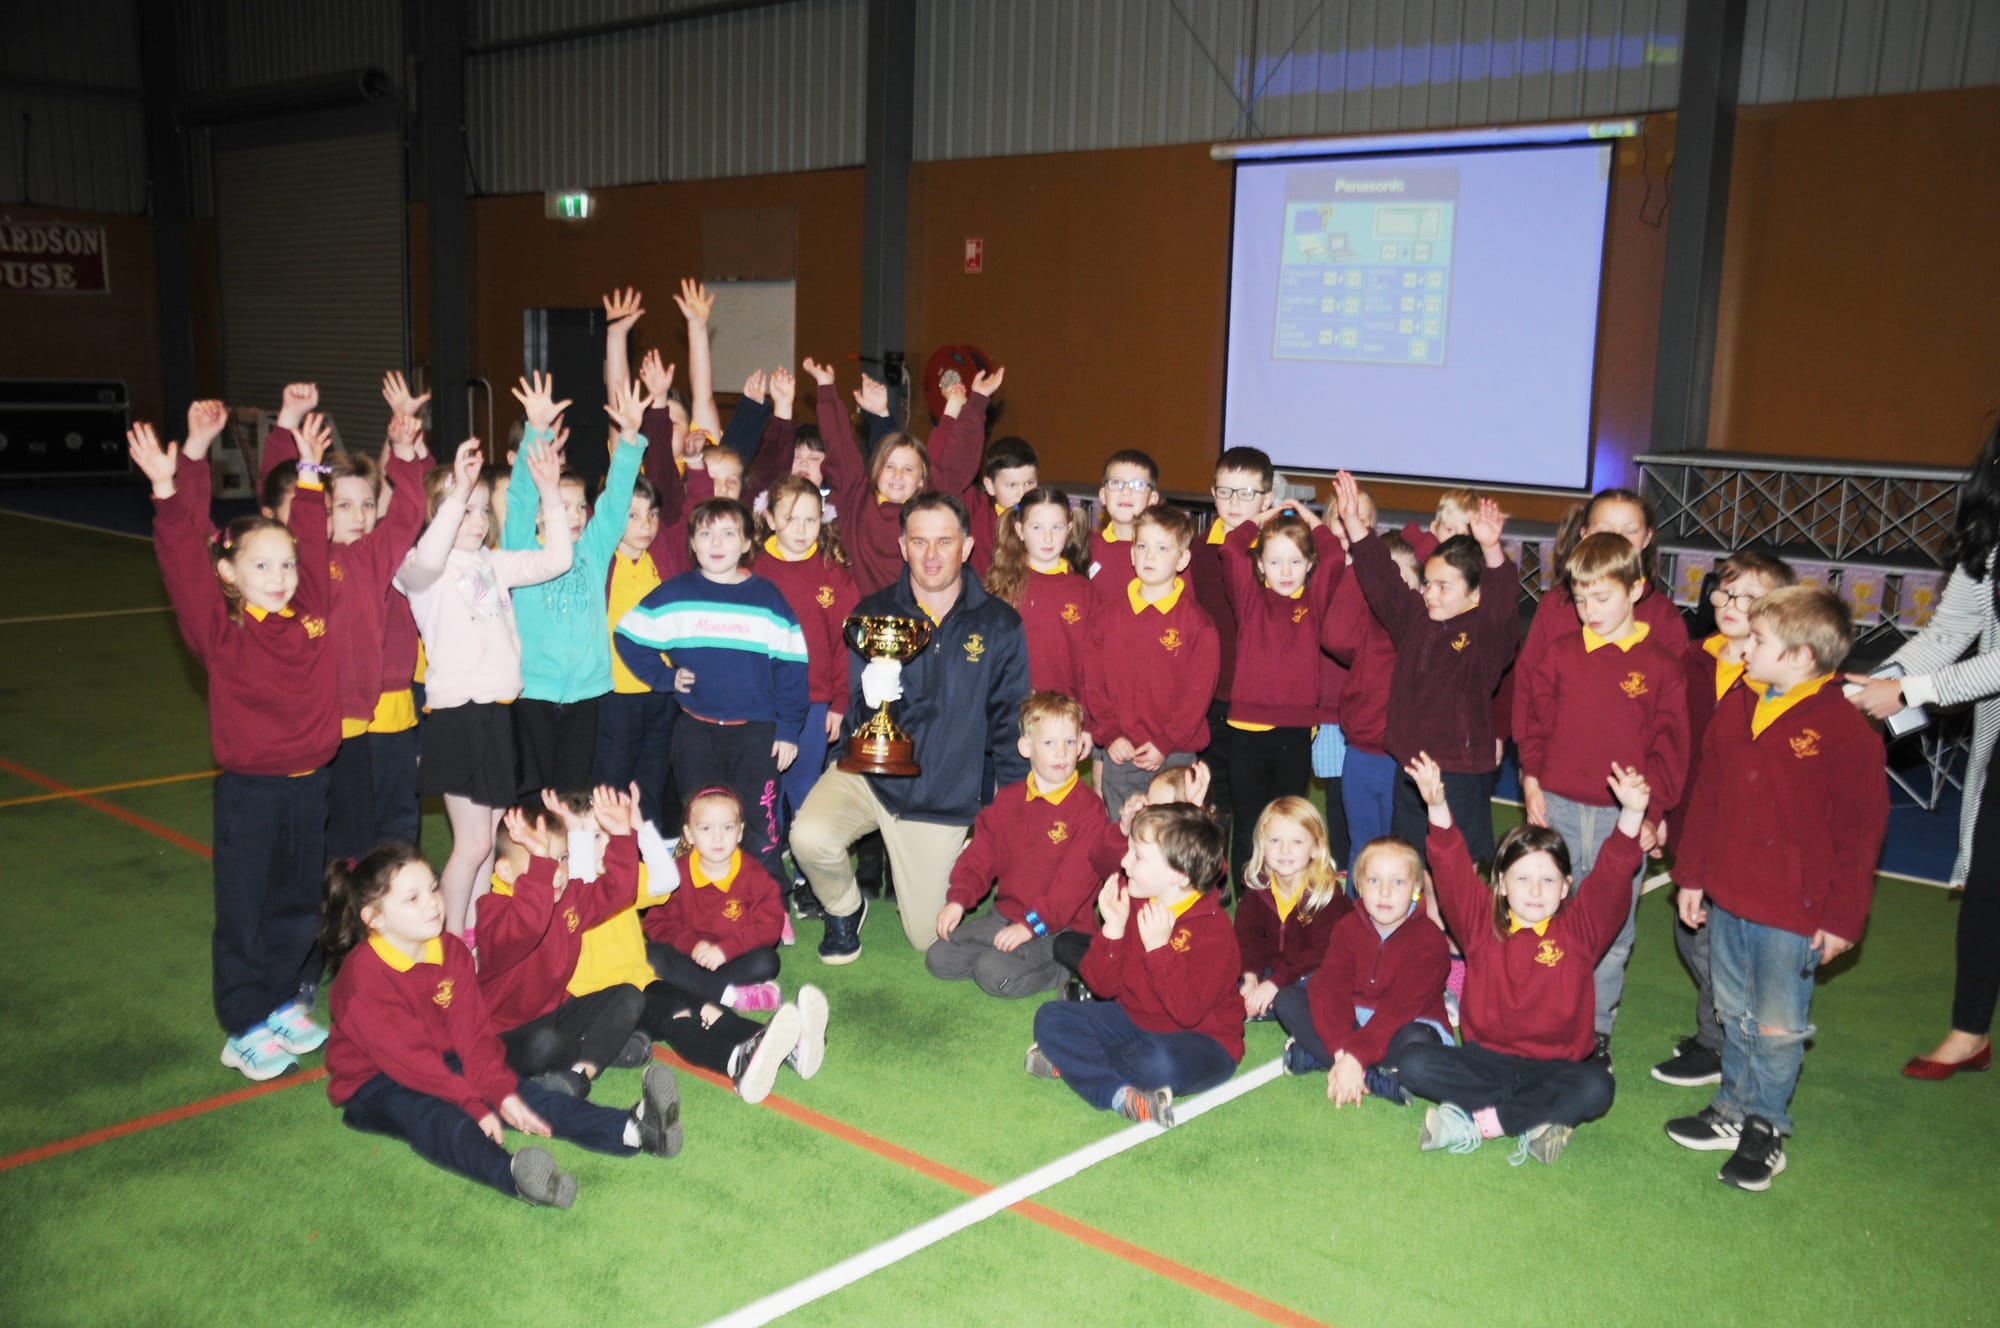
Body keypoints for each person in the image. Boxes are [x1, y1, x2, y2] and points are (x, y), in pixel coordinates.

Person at [131, 409, 341, 1081]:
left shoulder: (309, 615)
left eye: (286, 564)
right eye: (261, 565)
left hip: (312, 783)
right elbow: (183, 567)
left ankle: (281, 1003)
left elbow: (307, 532)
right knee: (248, 908)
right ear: (229, 573)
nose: (279, 576)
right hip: (253, 792)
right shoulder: (223, 636)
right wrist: (170, 492)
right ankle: (243, 1024)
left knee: (300, 901)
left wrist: (309, 473)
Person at [1669, 587, 1889, 1191]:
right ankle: (1732, 1110)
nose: (1745, 651)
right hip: (1730, 898)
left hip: (1793, 915)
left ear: (1799, 658)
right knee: (1733, 1012)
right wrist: (1692, 876)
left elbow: (1862, 834)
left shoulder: (1846, 731)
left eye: (1758, 642)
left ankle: (1765, 1126)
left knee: (1775, 1025)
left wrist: (1843, 919)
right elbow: (1707, 796)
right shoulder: (1739, 704)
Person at [321, 843, 683, 1208]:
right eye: (412, 899)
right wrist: (474, 1102)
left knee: (527, 1097)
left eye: (432, 888)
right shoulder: (364, 978)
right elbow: (409, 1061)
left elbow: (474, 1038)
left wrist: (500, 1090)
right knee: (437, 1118)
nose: (432, 903)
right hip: (373, 1081)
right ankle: (513, 1175)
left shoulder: (451, 951)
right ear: (374, 918)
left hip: (441, 1059)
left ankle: (634, 1130)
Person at [790, 491, 1033, 960]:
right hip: (870, 775)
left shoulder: (1000, 625)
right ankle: (844, 907)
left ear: (966, 547)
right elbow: (857, 719)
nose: (931, 555)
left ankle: (963, 854)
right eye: (919, 542)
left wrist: (1013, 809)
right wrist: (874, 695)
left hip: (941, 799)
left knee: (927, 939)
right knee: (807, 837)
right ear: (902, 547)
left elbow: (1009, 723)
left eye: (944, 541)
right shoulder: (873, 613)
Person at [1397, 753, 1651, 1165]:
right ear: (1500, 884)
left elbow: (1611, 876)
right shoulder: (1481, 924)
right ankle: (1539, 1117)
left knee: (1598, 1087)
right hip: (1485, 1062)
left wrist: (1632, 816)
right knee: (1412, 1063)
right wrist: (1437, 805)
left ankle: (1478, 1124)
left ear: (1566, 887)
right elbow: (1452, 869)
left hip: (1554, 1067)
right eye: (1522, 878)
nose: (1535, 890)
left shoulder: (1581, 931)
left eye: (1548, 879)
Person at [1853, 419, 2000, 1079]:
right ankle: (1969, 1033)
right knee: (1990, 886)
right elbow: (1953, 630)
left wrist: (1910, 691)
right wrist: (1887, 681)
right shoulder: (1990, 532)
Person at [1517, 532, 1689, 1069]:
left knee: (1614, 928)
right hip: (1560, 807)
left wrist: (1653, 814)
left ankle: (1595, 1032)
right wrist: (1531, 779)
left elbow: (1671, 748)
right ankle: (1543, 1018)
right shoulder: (1561, 653)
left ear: (1636, 589)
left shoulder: (1661, 665)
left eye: (1603, 597)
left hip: (1623, 820)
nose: (1590, 610)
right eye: (1581, 598)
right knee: (1549, 912)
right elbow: (1535, 723)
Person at [396, 423, 574, 940]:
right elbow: (429, 555)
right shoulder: (420, 572)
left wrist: (549, 493)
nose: (475, 520)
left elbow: (557, 558)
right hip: (460, 717)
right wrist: (455, 493)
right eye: (462, 509)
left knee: (489, 837)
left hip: (498, 715)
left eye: (479, 510)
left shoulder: (492, 564)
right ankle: (449, 943)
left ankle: (471, 936)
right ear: (437, 514)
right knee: (471, 845)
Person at [254, 379, 432, 862]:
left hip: (392, 710)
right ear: (322, 510)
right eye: (341, 506)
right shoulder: (304, 559)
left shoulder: (375, 555)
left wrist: (406, 449)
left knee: (397, 817)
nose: (356, 516)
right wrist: (287, 424)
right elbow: (278, 493)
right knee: (345, 828)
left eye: (366, 505)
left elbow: (410, 507)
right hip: (332, 719)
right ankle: (343, 912)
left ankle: (397, 899)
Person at [562, 790, 828, 1105]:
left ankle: (791, 1048)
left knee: (707, 1007)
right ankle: (735, 1061)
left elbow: (664, 880)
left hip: (642, 981)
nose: (606, 842)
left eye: (604, 833)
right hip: (606, 1000)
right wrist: (576, 838)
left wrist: (638, 826)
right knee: (680, 1019)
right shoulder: (568, 893)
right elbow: (584, 884)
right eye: (591, 836)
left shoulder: (620, 882)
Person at [1652, 551, 1797, 1087]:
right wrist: (1660, 812)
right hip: (1693, 824)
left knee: (1715, 943)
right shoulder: (1691, 659)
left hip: (1743, 837)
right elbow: (1668, 744)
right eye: (1724, 592)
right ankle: (1721, 1032)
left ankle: (1722, 1045)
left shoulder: (1779, 678)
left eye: (1748, 597)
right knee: (1694, 935)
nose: (1731, 605)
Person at [613, 497, 810, 890]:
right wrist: (665, 678)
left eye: (727, 534)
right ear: (693, 543)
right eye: (706, 534)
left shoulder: (767, 599)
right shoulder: (676, 595)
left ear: (746, 543)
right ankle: (696, 897)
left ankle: (768, 898)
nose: (716, 543)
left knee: (759, 821)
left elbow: (792, 666)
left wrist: (788, 729)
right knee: (701, 818)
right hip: (696, 733)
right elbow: (628, 635)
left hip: (757, 734)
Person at [1332, 472, 1516, 865]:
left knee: (1453, 871)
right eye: (1428, 583)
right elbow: (1384, 582)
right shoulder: (1417, 620)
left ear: (1475, 593)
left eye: (1443, 586)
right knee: (1413, 867)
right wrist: (1352, 524)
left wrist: (1493, 551)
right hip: (1411, 771)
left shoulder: (1486, 638)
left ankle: (1452, 930)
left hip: (1459, 777)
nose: (1429, 593)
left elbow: (1503, 614)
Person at [1028, 804, 1243, 1127]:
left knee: (1155, 1064)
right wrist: (1113, 928)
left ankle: (1077, 1062)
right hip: (1134, 1022)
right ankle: (1118, 1094)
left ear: (1178, 874)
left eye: (1138, 856)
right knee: (1050, 1018)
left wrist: (1159, 950)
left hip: (1201, 1042)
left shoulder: (1213, 931)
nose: (1125, 862)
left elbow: (1186, 1013)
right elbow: (1103, 987)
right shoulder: (1136, 899)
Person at [503, 376, 651, 795]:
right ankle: (531, 859)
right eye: (560, 505)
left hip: (587, 693)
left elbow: (617, 497)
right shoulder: (521, 549)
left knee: (573, 794)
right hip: (533, 691)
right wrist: (536, 429)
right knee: (533, 793)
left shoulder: (593, 548)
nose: (573, 514)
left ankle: (571, 859)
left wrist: (629, 437)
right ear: (539, 514)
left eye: (579, 506)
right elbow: (519, 496)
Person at [931, 691, 1116, 997]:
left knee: (993, 975)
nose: (1061, 753)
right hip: (1005, 914)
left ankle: (1067, 964)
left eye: (1070, 742)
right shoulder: (1009, 799)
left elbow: (1070, 891)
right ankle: (1002, 953)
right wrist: (958, 899)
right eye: (1049, 743)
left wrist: (1030, 926)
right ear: (1025, 747)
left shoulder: (1089, 810)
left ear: (1081, 746)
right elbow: (980, 856)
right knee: (939, 958)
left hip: (1058, 928)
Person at [478, 789, 648, 1098]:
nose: (555, 872)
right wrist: (541, 873)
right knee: (546, 1044)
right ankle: (598, 1050)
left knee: (629, 996)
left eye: (562, 858)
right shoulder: (493, 910)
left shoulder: (568, 897)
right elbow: (529, 925)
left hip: (556, 1013)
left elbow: (619, 892)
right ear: (503, 870)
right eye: (539, 861)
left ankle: (580, 1072)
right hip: (505, 1035)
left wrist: (623, 836)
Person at [1217, 494, 1348, 885]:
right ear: (1260, 566)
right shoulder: (1251, 600)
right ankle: (1248, 891)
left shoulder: (1314, 602)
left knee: (1286, 819)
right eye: (1274, 561)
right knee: (1249, 821)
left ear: (1309, 564)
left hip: (1294, 731)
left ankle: (1284, 890)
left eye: (1295, 561)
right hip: (1245, 730)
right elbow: (1229, 547)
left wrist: (1311, 518)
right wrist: (1260, 519)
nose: (1285, 571)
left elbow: (1336, 555)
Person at [1275, 835, 1451, 1107]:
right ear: (1359, 885)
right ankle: (1373, 1079)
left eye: (1398, 882)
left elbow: (1399, 1008)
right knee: (1288, 1001)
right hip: (1353, 1019)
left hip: (1402, 1024)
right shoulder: (1347, 927)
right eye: (1373, 881)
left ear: (1416, 887)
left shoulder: (1431, 940)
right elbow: (1330, 988)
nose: (1384, 892)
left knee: (1419, 1042)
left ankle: (1316, 1056)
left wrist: (1355, 1056)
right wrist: (1342, 1051)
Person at [808, 358, 994, 595]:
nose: (897, 475)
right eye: (889, 467)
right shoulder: (856, 500)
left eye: (908, 470)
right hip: (864, 621)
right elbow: (839, 445)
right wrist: (826, 389)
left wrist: (977, 402)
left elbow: (959, 459)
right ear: (876, 471)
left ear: (921, 480)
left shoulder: (931, 504)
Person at [751, 473, 861, 871]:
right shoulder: (752, 570)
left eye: (811, 520)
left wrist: (839, 703)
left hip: (815, 704)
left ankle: (808, 875)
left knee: (805, 790)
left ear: (824, 520)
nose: (801, 530)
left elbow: (844, 644)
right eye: (791, 519)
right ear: (770, 519)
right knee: (764, 792)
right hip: (762, 705)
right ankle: (767, 872)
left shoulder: (833, 572)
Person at [1083, 506, 1220, 817]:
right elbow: (1094, 684)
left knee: (1174, 844)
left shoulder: (1198, 624)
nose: (1149, 556)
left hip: (1176, 755)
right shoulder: (1106, 618)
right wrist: (1110, 734)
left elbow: (1197, 696)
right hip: (1122, 752)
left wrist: (1164, 742)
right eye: (1142, 546)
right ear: (1131, 554)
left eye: (1162, 548)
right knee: (1124, 839)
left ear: (1183, 559)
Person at [1186, 446, 1275, 832]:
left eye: (1246, 493)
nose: (1234, 502)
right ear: (1212, 492)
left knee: (1259, 793)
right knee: (1213, 791)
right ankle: (1214, 877)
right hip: (1212, 692)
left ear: (1267, 499)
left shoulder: (1279, 553)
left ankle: (1260, 877)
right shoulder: (1196, 550)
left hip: (1262, 696)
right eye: (1225, 492)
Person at [643, 787, 787, 1011]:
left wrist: (724, 950)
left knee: (767, 961)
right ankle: (728, 996)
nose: (717, 837)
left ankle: (698, 991)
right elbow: (656, 924)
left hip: (733, 957)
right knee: (650, 955)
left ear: (740, 832)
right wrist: (693, 946)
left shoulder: (754, 874)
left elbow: (770, 925)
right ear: (689, 834)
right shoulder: (676, 874)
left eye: (728, 827)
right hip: (689, 957)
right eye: (705, 828)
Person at [1323, 524, 1418, 853]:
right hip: (1361, 753)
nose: (1390, 587)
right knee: (1362, 843)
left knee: (1400, 846)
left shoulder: (1423, 630)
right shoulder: (1366, 629)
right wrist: (1355, 570)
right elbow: (1334, 637)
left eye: (1400, 577)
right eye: (1383, 578)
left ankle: (1405, 905)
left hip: (1403, 758)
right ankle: (1358, 904)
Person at [1234, 797, 1351, 1022]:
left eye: (1297, 842)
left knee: (1316, 986)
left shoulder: (1326, 895)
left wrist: (1275, 983)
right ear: (1262, 845)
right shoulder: (1257, 889)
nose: (1285, 850)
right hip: (1273, 968)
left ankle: (1275, 1004)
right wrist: (1250, 977)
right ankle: (1260, 1001)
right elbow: (1246, 938)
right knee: (1225, 979)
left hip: (1310, 970)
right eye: (1275, 840)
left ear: (1316, 848)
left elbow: (1321, 953)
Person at [984, 485, 1091, 702]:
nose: (1048, 538)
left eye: (1057, 527)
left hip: (1065, 716)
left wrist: (1088, 722)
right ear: (1020, 530)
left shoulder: (1084, 591)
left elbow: (1092, 666)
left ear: (1069, 528)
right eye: (1036, 528)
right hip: (1011, 713)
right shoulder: (1000, 586)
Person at [965, 434, 1039, 580]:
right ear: (990, 486)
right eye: (1011, 485)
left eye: (1029, 483)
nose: (1022, 494)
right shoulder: (976, 512)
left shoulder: (1047, 521)